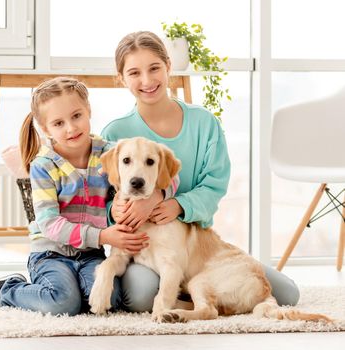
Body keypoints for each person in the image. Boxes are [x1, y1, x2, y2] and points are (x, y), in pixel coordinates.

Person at [101, 31, 300, 312]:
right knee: (142, 296)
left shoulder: (204, 123)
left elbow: (215, 185)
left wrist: (176, 204)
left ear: (168, 66)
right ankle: (193, 298)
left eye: (155, 68)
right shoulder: (115, 133)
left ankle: (199, 293)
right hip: (144, 249)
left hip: (197, 247)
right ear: (122, 78)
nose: (147, 81)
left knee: (287, 293)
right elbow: (104, 197)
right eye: (134, 72)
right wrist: (116, 211)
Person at [0, 77, 152, 315]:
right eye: (58, 123)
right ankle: (7, 289)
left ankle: (71, 288)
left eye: (77, 116)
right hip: (49, 253)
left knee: (109, 299)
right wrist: (103, 235)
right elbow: (49, 224)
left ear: (89, 111)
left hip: (90, 254)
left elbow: (163, 173)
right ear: (45, 129)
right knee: (63, 303)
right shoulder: (43, 166)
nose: (71, 128)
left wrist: (155, 197)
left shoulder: (110, 153)